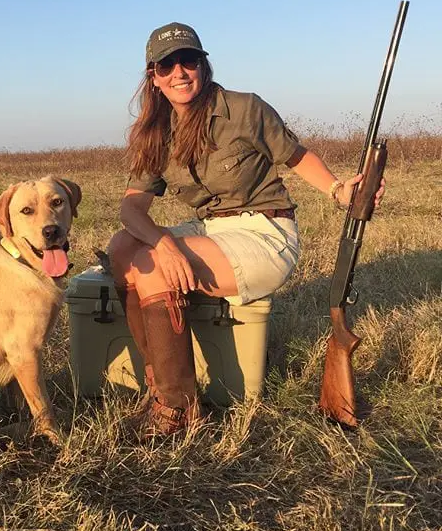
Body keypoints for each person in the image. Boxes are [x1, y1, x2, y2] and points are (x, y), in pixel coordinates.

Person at [107, 22, 385, 436]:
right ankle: (161, 383)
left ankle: (177, 409)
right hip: (210, 230)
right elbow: (131, 209)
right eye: (167, 65)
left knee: (152, 263)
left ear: (203, 65)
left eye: (188, 60)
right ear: (154, 77)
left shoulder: (244, 108)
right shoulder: (156, 132)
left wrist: (338, 190)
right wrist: (165, 242)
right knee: (121, 248)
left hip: (263, 232)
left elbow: (296, 156)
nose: (179, 72)